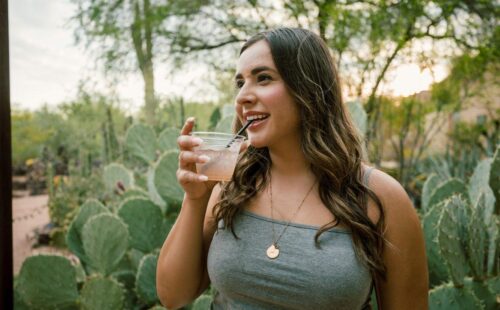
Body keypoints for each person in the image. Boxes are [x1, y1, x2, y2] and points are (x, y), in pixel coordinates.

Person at [156, 27, 428, 309]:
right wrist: (196, 198)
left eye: (263, 79)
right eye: (240, 83)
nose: (243, 97)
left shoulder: (380, 198)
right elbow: (173, 296)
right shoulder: (230, 185)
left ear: (308, 87)